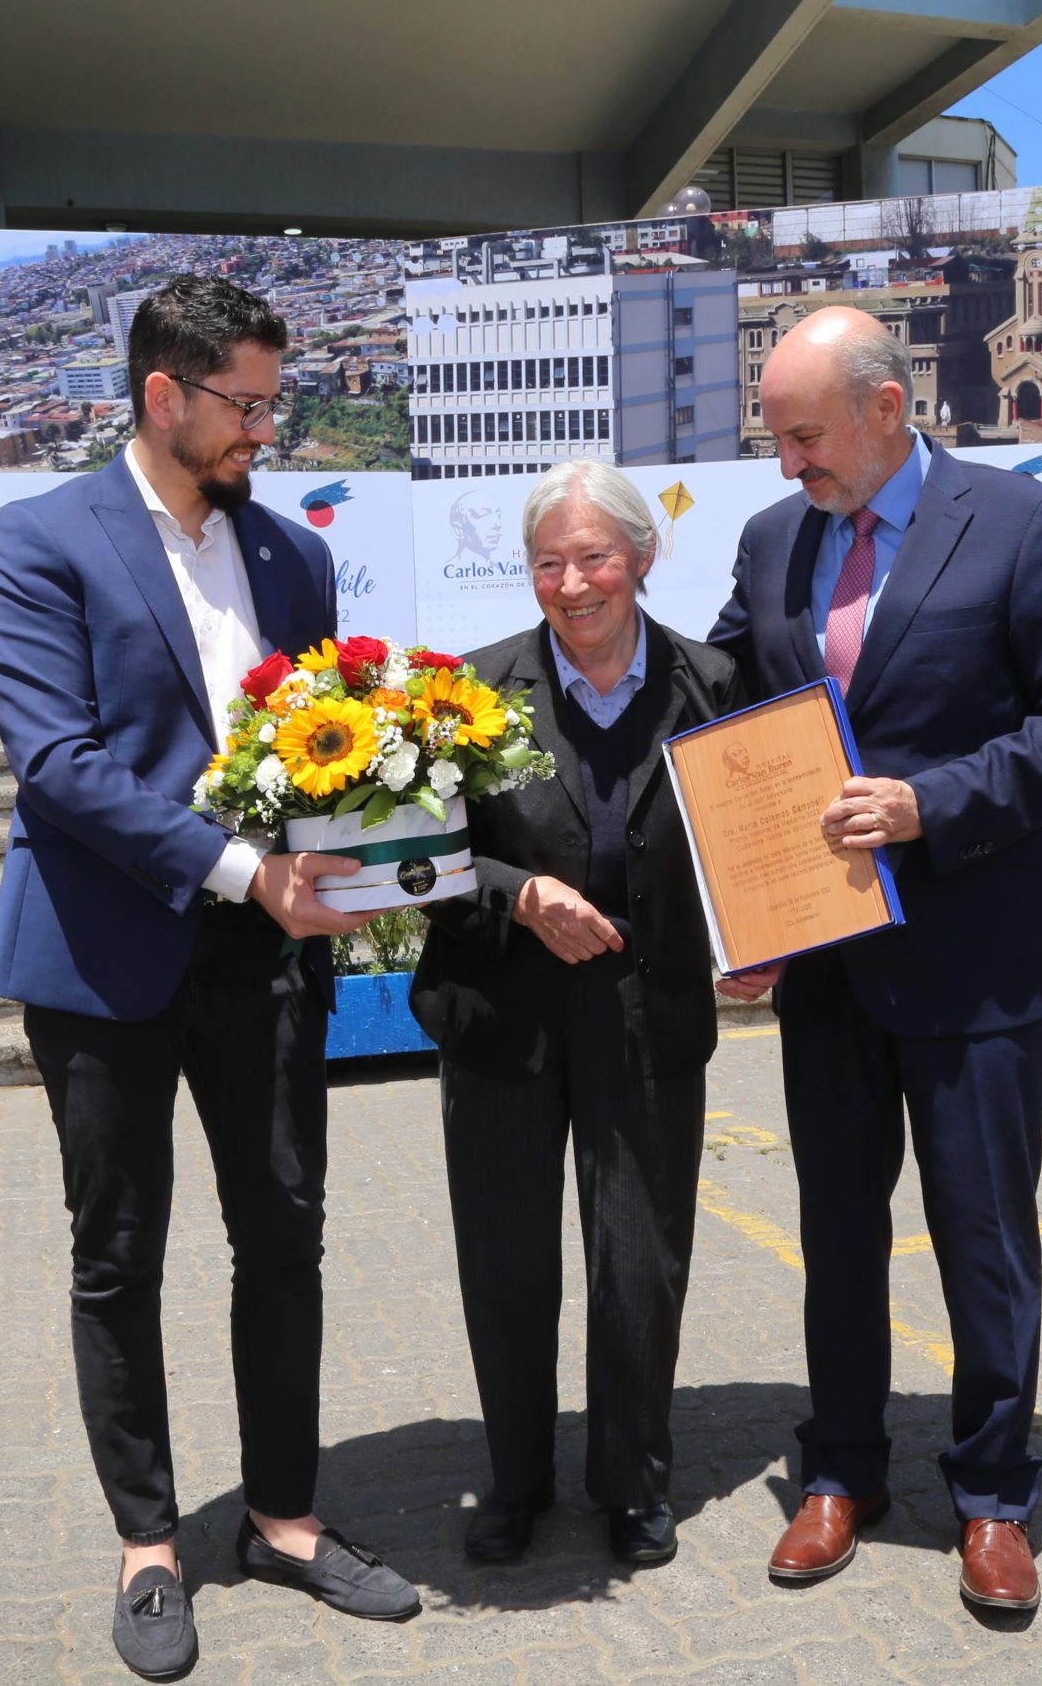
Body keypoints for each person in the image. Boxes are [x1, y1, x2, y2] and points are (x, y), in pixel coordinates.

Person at [0, 275, 421, 1681]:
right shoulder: (41, 542)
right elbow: (60, 765)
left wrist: (356, 866)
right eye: (245, 403)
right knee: (119, 1254)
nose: (263, 430)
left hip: (268, 959)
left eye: (271, 405)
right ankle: (151, 1545)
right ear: (164, 395)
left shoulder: (292, 557)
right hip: (108, 956)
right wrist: (244, 872)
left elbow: (320, 744)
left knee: (284, 1235)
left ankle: (284, 1518)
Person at [708, 307, 1042, 1612]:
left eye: (807, 435)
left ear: (888, 408)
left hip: (979, 956)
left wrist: (929, 803)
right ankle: (842, 1467)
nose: (789, 463)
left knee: (983, 1235)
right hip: (829, 959)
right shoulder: (776, 539)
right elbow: (727, 689)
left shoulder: (1017, 522)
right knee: (837, 1230)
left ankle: (995, 1491)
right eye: (778, 438)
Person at [409, 460, 742, 1569]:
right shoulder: (467, 690)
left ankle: (632, 1481)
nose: (571, 583)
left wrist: (765, 939)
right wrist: (518, 895)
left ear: (641, 560)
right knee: (505, 1262)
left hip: (648, 1015)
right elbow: (417, 859)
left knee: (639, 1259)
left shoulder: (715, 680)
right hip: (501, 1012)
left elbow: (753, 834)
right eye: (548, 562)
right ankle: (513, 1481)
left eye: (594, 557)